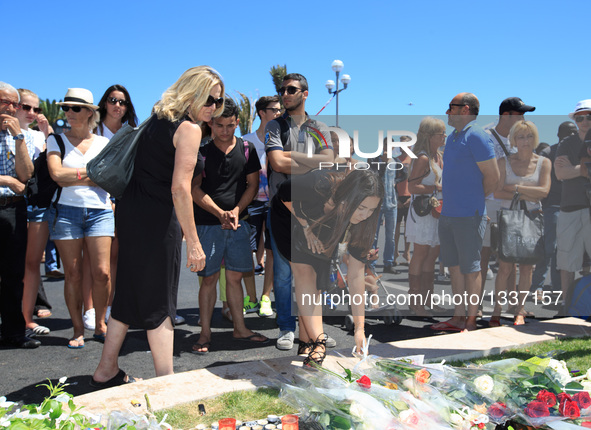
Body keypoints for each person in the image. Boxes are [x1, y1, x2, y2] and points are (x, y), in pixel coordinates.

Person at [92, 66, 215, 386]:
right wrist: (195, 240)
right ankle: (166, 383)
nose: (214, 107)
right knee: (160, 302)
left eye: (219, 101)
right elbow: (179, 188)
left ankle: (106, 369)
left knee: (129, 294)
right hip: (158, 220)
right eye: (211, 98)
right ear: (195, 93)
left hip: (132, 214)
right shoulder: (189, 128)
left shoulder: (156, 119)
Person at [271, 169, 383, 366]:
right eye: (361, 207)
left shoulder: (364, 221)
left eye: (371, 210)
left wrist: (359, 329)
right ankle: (319, 342)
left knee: (318, 279)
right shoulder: (321, 183)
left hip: (327, 225)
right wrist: (305, 227)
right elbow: (283, 191)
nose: (365, 215)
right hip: (289, 218)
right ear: (349, 196)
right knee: (305, 271)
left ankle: (308, 341)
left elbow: (356, 275)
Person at [191, 97, 267, 355]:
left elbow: (253, 185)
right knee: (209, 280)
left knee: (235, 278)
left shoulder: (247, 149)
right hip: (207, 225)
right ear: (210, 124)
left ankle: (241, 329)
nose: (224, 131)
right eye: (219, 125)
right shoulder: (200, 151)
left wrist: (235, 211)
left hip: (239, 223)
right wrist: (219, 212)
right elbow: (193, 189)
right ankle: (204, 333)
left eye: (230, 125)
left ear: (237, 123)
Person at [265, 73, 334, 351]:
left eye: (291, 89)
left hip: (315, 212)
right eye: (282, 90)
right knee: (286, 275)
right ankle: (288, 328)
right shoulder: (275, 126)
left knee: (312, 279)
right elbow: (277, 163)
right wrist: (310, 163)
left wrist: (293, 157)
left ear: (305, 93)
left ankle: (308, 340)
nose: (285, 94)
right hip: (283, 209)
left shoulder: (318, 127)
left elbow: (328, 162)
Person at [46, 88, 113, 348]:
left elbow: (106, 178)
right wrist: (90, 175)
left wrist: (71, 174)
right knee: (72, 274)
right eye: (66, 108)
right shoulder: (56, 140)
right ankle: (77, 329)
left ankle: (100, 324)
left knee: (103, 273)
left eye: (75, 108)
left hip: (101, 213)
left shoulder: (103, 143)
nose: (68, 113)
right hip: (65, 213)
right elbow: (55, 175)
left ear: (89, 113)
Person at [431, 93, 499, 332]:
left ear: (465, 109)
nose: (447, 112)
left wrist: (475, 204)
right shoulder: (453, 138)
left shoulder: (478, 136)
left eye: (451, 107)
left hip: (469, 215)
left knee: (471, 268)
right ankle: (458, 317)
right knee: (454, 268)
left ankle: (471, 320)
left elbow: (493, 177)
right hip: (448, 214)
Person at [86, 85, 139, 326]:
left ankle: (109, 306)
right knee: (93, 261)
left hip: (125, 199)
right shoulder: (92, 131)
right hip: (95, 199)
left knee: (116, 257)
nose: (118, 106)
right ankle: (89, 308)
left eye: (123, 102)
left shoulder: (132, 132)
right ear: (104, 104)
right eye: (112, 100)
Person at [490, 121, 551, 326]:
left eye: (529, 136)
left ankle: (519, 309)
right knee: (505, 266)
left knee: (527, 268)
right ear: (514, 140)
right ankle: (497, 310)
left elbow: (544, 191)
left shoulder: (544, 162)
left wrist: (515, 187)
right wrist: (528, 190)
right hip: (510, 216)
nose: (526, 141)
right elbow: (498, 191)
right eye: (521, 137)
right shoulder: (503, 162)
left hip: (533, 217)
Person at [481, 97, 536, 309]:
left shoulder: (520, 138)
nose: (523, 118)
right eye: (520, 114)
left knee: (511, 257)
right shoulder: (485, 136)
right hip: (488, 202)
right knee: (483, 256)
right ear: (506, 115)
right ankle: (475, 307)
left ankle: (514, 305)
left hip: (510, 203)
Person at [0, 82, 39, 349]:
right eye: (8, 102)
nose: (13, 109)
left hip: (13, 208)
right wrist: (4, 178)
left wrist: (18, 137)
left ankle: (14, 332)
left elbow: (25, 175)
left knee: (13, 273)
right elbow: (14, 179)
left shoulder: (18, 134)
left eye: (16, 103)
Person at [17, 88, 55, 337]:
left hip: (34, 205)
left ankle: (25, 318)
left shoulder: (39, 137)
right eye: (26, 107)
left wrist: (48, 131)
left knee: (30, 264)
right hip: (14, 204)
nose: (31, 113)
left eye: (37, 109)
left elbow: (44, 165)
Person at [241, 96, 281, 317]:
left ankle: (266, 297)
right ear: (261, 113)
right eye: (274, 110)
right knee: (248, 251)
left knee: (272, 251)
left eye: (279, 110)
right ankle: (251, 298)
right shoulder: (245, 141)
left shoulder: (281, 139)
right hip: (251, 202)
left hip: (275, 203)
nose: (278, 113)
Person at [530, 122, 577, 298]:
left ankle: (557, 288)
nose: (572, 135)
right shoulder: (548, 153)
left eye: (574, 132)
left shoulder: (578, 151)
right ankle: (537, 287)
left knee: (562, 250)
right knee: (548, 248)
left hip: (572, 207)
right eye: (569, 132)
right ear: (559, 134)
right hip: (552, 206)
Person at [405, 117, 445, 317]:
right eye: (441, 134)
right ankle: (415, 301)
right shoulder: (421, 158)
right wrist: (435, 187)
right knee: (420, 254)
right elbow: (412, 187)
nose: (444, 136)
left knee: (432, 255)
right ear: (430, 136)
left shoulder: (438, 156)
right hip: (422, 212)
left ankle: (428, 298)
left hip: (436, 211)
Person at [554, 100, 591, 313]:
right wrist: (585, 169)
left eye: (589, 116)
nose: (584, 121)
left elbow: (568, 171)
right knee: (566, 261)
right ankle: (567, 307)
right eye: (580, 117)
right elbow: (560, 174)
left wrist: (573, 168)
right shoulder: (567, 142)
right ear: (574, 120)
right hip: (570, 207)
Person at [394, 135, 412, 266]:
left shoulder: (414, 160)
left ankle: (407, 252)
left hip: (410, 197)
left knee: (408, 228)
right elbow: (392, 181)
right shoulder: (395, 160)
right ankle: (395, 252)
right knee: (396, 227)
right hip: (397, 196)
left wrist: (412, 197)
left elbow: (417, 180)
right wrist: (396, 199)